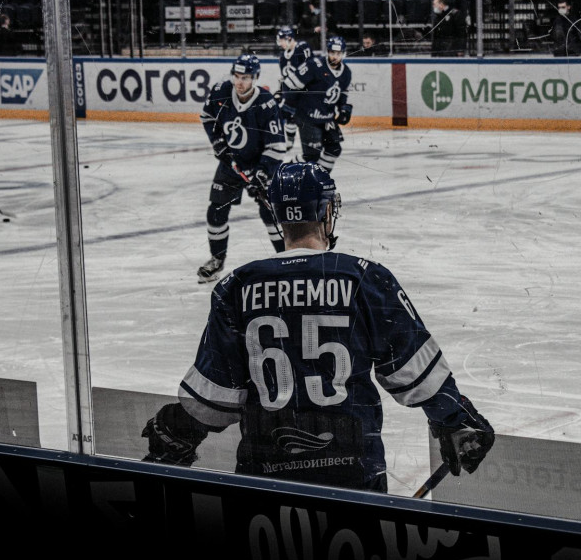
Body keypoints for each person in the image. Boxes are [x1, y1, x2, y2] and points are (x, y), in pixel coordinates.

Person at [142, 161, 495, 492]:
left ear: (278, 216)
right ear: (327, 212)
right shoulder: (365, 278)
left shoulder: (236, 286)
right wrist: (454, 418)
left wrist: (180, 427)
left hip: (264, 473)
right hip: (354, 472)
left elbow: (214, 396)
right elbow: (416, 372)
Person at [195, 54, 288, 283]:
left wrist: (262, 174)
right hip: (231, 164)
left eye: (245, 77)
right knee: (216, 210)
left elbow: (276, 146)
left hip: (261, 164)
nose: (239, 82)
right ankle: (216, 260)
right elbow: (207, 117)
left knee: (270, 212)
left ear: (255, 78)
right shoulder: (221, 92)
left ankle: (287, 260)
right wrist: (218, 142)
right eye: (236, 76)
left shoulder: (266, 103)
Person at [279, 35, 352, 173]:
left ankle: (319, 176)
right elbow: (290, 84)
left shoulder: (346, 73)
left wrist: (344, 109)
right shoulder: (314, 65)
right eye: (332, 52)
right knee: (311, 155)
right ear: (328, 52)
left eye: (338, 53)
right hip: (307, 117)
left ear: (343, 53)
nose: (335, 56)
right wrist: (288, 105)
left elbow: (342, 95)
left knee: (334, 149)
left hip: (327, 118)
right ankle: (284, 172)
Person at [275, 25, 312, 151]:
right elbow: (284, 78)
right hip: (291, 93)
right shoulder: (282, 57)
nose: (280, 43)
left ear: (289, 38)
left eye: (282, 40)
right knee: (286, 115)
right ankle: (289, 142)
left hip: (306, 92)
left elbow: (311, 68)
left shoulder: (302, 47)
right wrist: (281, 92)